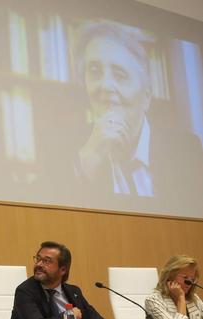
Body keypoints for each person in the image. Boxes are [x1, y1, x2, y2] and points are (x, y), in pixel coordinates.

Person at [74, 21, 203, 198]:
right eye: (95, 71)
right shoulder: (69, 155)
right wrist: (86, 168)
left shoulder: (185, 151)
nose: (105, 86)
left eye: (120, 75)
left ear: (147, 96)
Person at [7, 241, 113, 319]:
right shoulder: (25, 291)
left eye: (46, 261)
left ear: (63, 270)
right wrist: (69, 316)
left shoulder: (73, 292)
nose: (39, 264)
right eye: (38, 259)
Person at [145, 255, 203, 319]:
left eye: (192, 279)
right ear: (169, 276)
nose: (189, 283)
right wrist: (180, 297)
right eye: (185, 277)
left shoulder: (195, 300)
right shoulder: (153, 300)